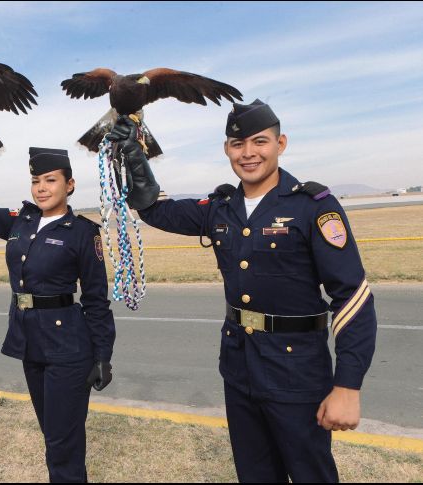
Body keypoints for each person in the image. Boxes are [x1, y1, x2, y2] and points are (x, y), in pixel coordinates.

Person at [108, 100, 377, 483]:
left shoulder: (313, 207)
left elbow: (352, 296)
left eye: (259, 142)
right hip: (239, 367)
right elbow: (155, 211)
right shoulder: (220, 207)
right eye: (238, 144)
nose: (248, 153)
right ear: (226, 150)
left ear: (280, 144)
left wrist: (348, 384)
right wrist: (134, 156)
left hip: (297, 372)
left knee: (309, 474)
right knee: (254, 474)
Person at [0, 129, 116, 483]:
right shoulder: (20, 222)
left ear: (69, 185)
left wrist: (103, 355)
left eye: (50, 180)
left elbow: (96, 299)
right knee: (53, 437)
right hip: (31, 344)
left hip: (69, 349)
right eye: (36, 180)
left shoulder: (83, 233)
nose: (41, 188)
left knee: (62, 444)